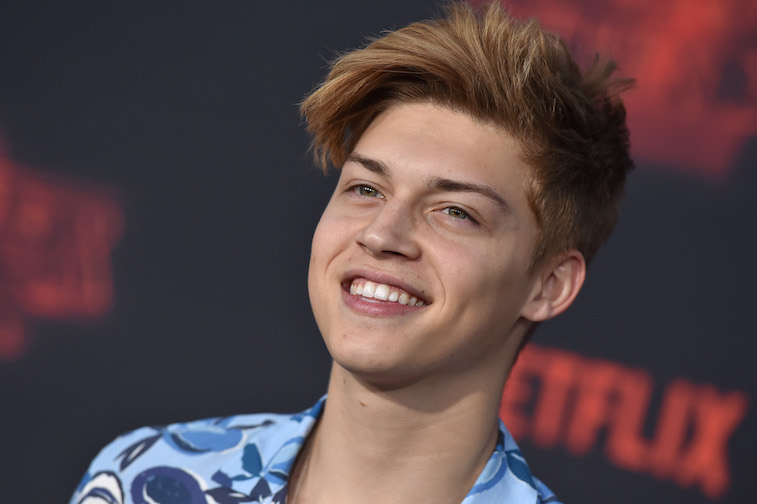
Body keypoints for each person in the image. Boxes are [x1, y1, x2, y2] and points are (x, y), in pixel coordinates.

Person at [70, 2, 633, 503]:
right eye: (366, 189)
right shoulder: (144, 479)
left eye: (455, 212)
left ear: (550, 285)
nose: (382, 234)